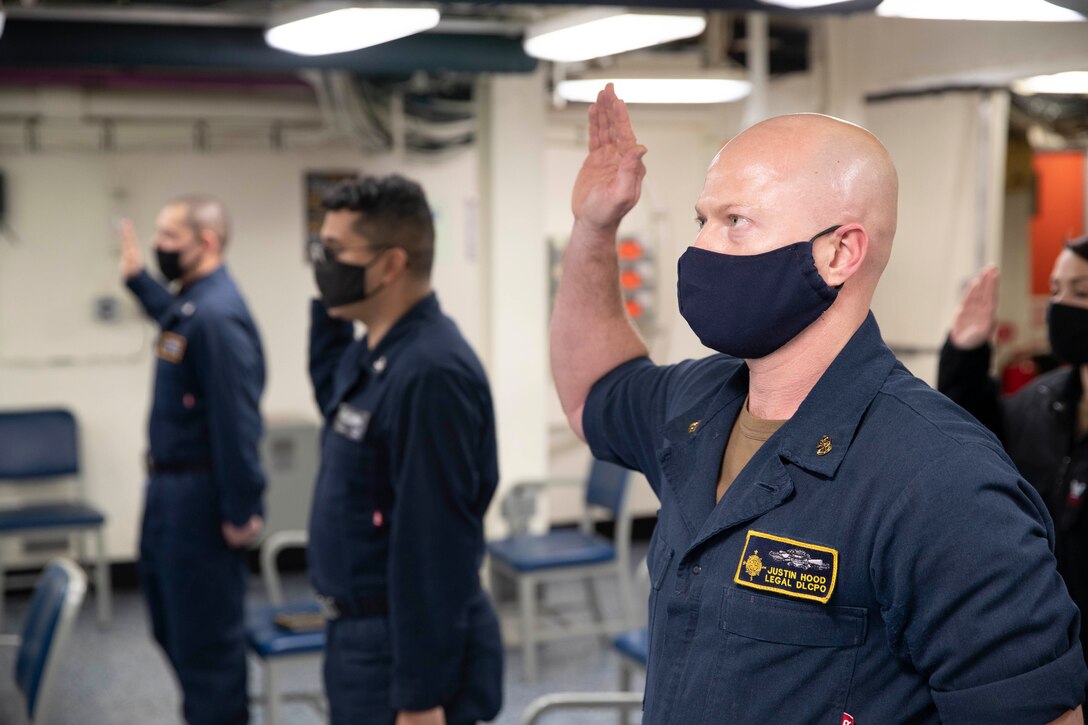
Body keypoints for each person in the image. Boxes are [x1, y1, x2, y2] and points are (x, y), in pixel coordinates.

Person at [550, 84, 1086, 723]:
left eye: (735, 223)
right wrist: (594, 224)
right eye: (703, 221)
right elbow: (593, 391)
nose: (701, 250)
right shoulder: (698, 405)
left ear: (839, 252)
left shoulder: (943, 484)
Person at [306, 175, 502, 725]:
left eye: (336, 252)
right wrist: (329, 300)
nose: (323, 263)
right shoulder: (376, 349)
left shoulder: (431, 372)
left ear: (390, 265)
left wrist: (421, 696)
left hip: (398, 646)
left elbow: (433, 542)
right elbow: (333, 399)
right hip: (359, 637)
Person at [120, 194, 266, 724]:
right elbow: (175, 320)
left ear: (206, 242)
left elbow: (237, 423)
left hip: (201, 501)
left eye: (168, 237)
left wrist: (240, 507)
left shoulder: (218, 315)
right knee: (173, 629)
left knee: (208, 650)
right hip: (169, 495)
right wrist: (138, 278)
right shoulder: (190, 305)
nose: (159, 246)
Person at [939, 235, 1088, 657]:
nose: (1061, 305)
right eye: (1056, 289)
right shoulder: (1041, 401)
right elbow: (974, 445)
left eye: (1081, 292)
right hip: (1037, 647)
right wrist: (966, 355)